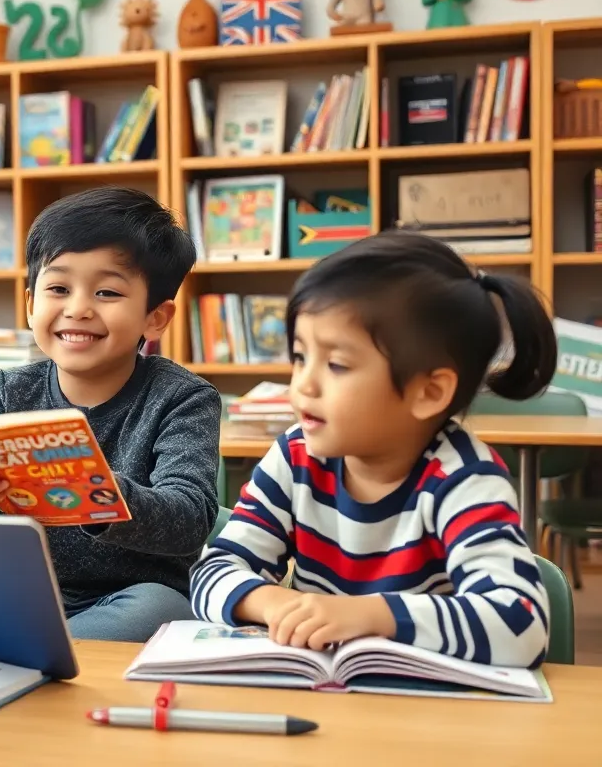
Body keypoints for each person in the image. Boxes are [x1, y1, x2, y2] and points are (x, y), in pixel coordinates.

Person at [191, 231, 554, 668]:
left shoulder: (463, 479)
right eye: (301, 357)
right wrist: (274, 604)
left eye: (337, 364)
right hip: (318, 689)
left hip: (423, 700)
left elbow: (521, 626)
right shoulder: (296, 456)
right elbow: (211, 572)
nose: (303, 384)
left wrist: (371, 616)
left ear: (429, 392)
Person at [0, 187, 222, 643]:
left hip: (128, 597)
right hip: (19, 591)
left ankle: (32, 649)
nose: (78, 309)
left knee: (162, 608)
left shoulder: (182, 398)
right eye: (58, 288)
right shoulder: (9, 390)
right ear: (30, 305)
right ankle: (37, 645)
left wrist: (98, 494)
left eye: (107, 292)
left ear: (155, 318)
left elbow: (190, 521)